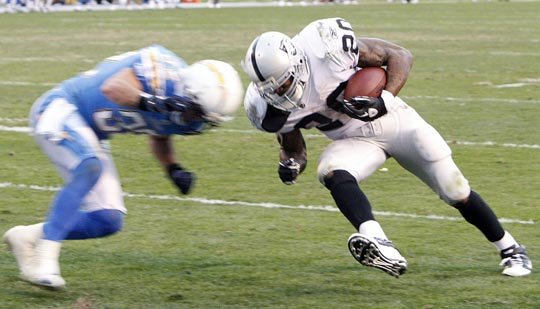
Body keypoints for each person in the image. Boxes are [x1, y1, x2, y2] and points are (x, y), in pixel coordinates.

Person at [241, 18, 532, 278]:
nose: (280, 92)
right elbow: (295, 149)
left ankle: (510, 248)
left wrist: (385, 100)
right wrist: (290, 164)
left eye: (283, 83)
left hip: (395, 121)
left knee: (455, 190)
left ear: (297, 62)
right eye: (271, 88)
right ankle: (377, 240)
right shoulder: (268, 109)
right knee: (331, 170)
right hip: (354, 141)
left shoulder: (325, 48)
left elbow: (400, 55)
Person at [3, 45, 244, 289]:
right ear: (189, 93)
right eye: (199, 114)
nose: (200, 122)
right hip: (61, 108)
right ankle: (46, 259)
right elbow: (114, 88)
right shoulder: (162, 68)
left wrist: (172, 167)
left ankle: (26, 237)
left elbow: (159, 133)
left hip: (91, 133)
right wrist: (155, 101)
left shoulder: (189, 118)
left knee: (107, 218)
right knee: (90, 166)